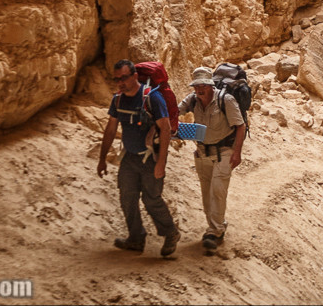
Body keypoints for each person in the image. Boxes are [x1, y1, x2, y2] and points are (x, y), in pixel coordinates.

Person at [97, 59, 179, 257]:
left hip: (150, 158)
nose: (120, 82)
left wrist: (161, 163)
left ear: (134, 76)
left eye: (124, 78)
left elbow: (166, 129)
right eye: (117, 79)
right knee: (127, 197)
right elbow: (110, 130)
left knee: (151, 199)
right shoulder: (118, 100)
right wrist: (101, 159)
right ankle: (136, 238)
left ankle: (170, 233)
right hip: (129, 157)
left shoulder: (152, 98)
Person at [177, 66, 246, 252]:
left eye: (203, 85)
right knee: (206, 193)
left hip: (224, 152)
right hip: (202, 152)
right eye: (196, 85)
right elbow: (176, 111)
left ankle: (213, 232)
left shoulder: (226, 100)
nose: (199, 89)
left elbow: (240, 126)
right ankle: (218, 226)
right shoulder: (192, 99)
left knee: (217, 190)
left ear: (210, 85)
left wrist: (237, 152)